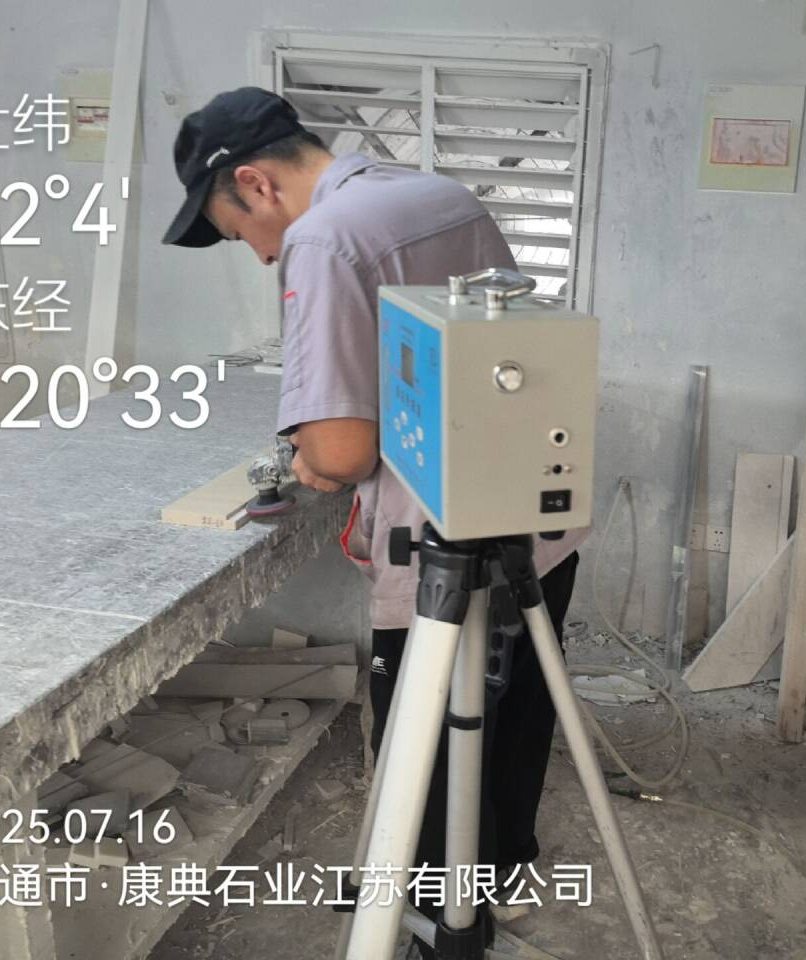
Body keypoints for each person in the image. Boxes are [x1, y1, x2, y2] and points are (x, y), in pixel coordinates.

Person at [162, 87, 587, 956]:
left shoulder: (324, 237)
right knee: (513, 716)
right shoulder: (439, 195)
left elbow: (343, 450)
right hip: (531, 518)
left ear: (256, 183)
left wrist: (312, 455)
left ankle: (438, 918)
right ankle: (498, 871)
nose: (260, 254)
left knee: (426, 740)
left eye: (242, 233)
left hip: (440, 549)